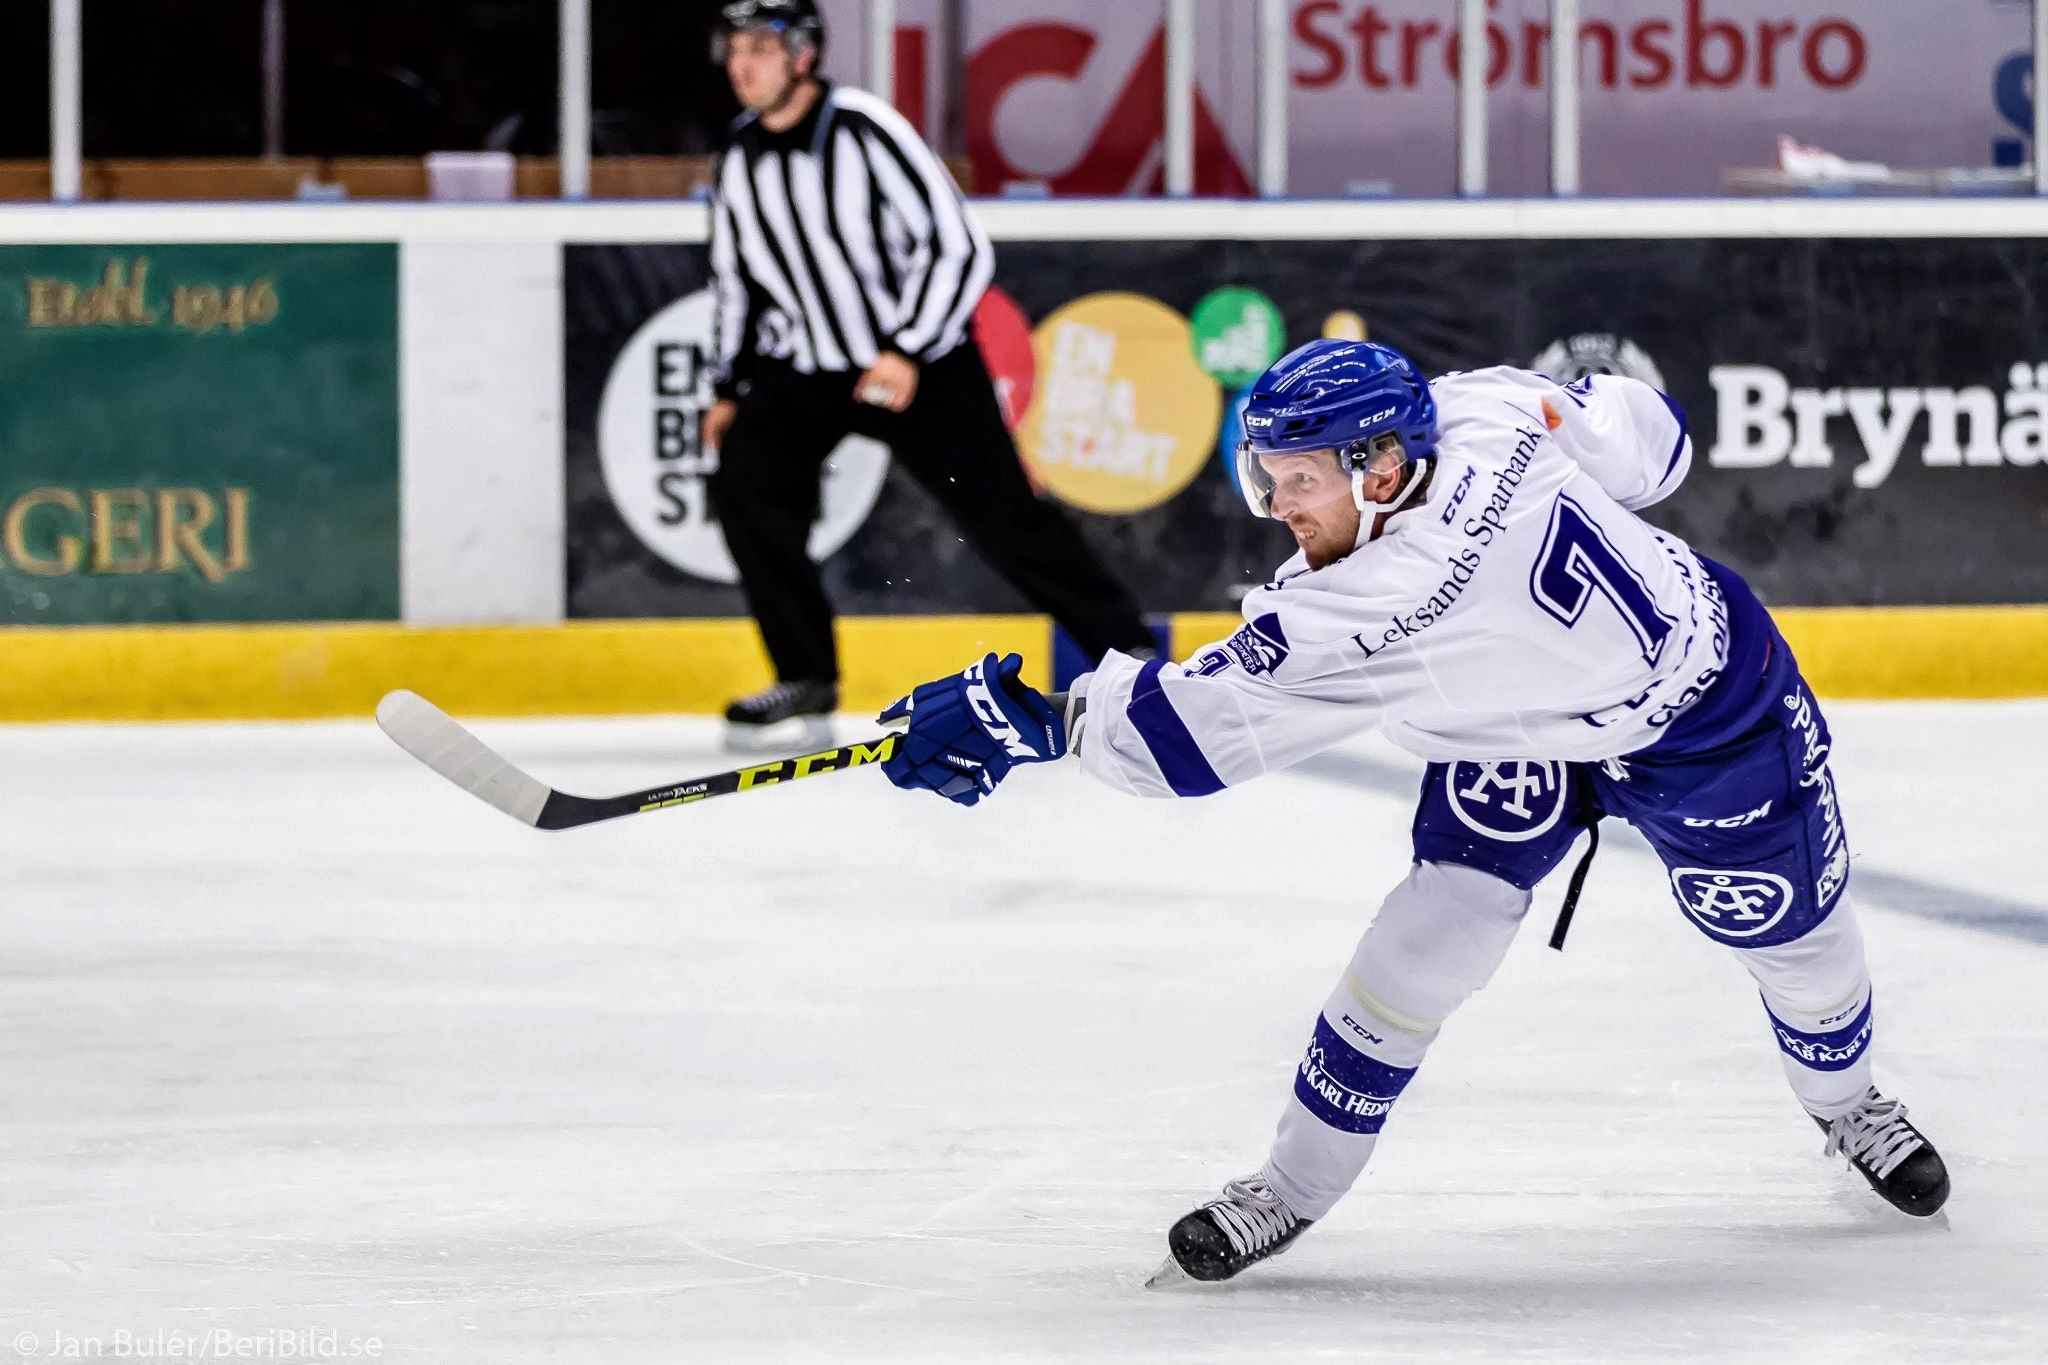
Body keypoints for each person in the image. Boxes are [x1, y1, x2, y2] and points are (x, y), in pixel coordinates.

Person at [875, 340, 1951, 1283]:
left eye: (1298, 480)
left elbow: (1179, 741)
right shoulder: (1484, 402)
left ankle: (1848, 1105)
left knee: (1794, 945)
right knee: (1423, 946)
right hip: (1530, 722)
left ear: (1381, 469)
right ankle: (1288, 1189)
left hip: (1705, 720)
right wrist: (1569, 410)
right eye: (1266, 478)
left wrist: (1035, 720)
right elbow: (1655, 443)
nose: (1278, 508)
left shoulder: (1371, 602)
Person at [702, 0, 1154, 744]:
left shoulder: (866, 129)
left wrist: (905, 347)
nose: (740, 66)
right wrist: (725, 388)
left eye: (759, 49)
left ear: (803, 57)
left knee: (1003, 516)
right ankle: (806, 674)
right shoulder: (739, 154)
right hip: (808, 367)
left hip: (923, 364)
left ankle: (1125, 648)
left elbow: (958, 246)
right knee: (747, 485)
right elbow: (735, 282)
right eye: (734, 49)